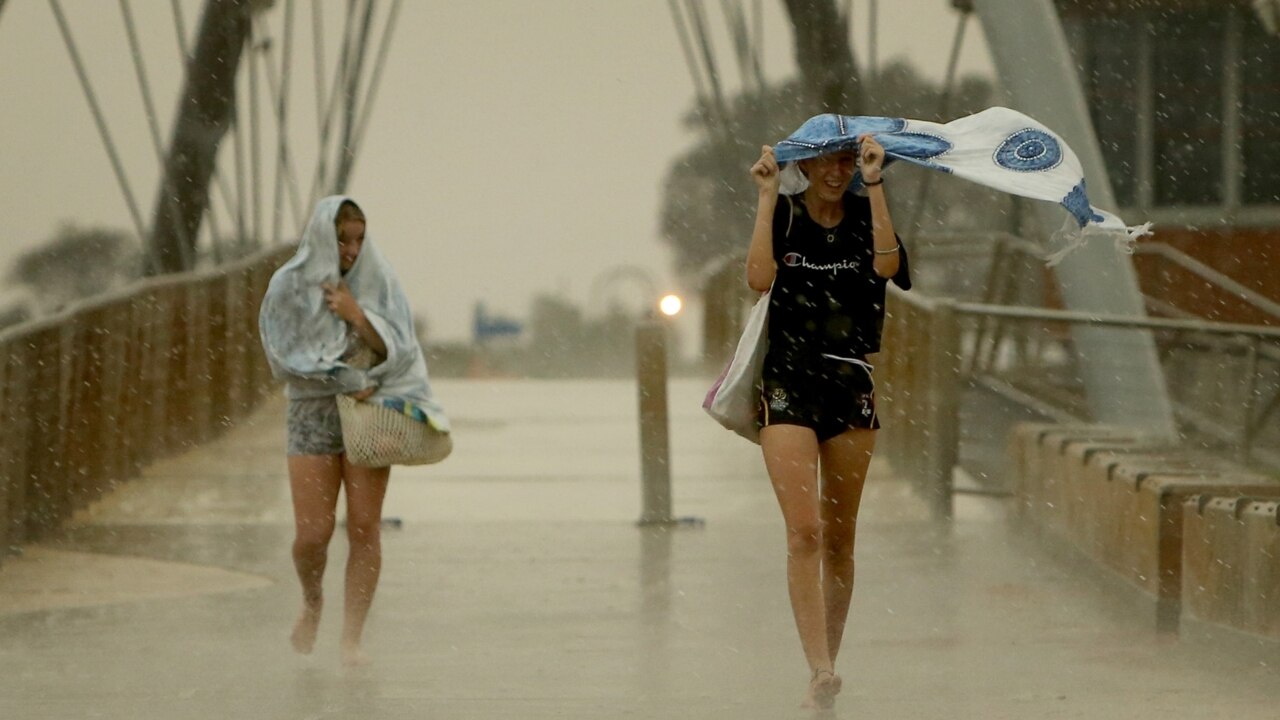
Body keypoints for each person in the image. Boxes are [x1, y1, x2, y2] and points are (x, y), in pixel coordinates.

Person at [745, 130, 911, 709]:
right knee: (805, 532)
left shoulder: (868, 212)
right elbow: (759, 279)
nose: (837, 171)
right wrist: (767, 197)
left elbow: (888, 266)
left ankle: (829, 663)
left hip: (849, 383)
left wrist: (875, 179)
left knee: (840, 538)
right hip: (788, 381)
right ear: (806, 165)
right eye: (828, 161)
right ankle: (816, 668)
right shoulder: (786, 214)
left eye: (846, 160)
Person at [259, 196, 448, 667]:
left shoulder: (378, 280)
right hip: (311, 415)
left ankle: (351, 639)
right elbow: (282, 357)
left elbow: (402, 350)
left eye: (359, 239)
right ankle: (312, 600)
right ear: (322, 235)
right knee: (313, 536)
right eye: (342, 238)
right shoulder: (287, 285)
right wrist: (344, 377)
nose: (350, 249)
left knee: (364, 527)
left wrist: (356, 315)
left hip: (371, 414)